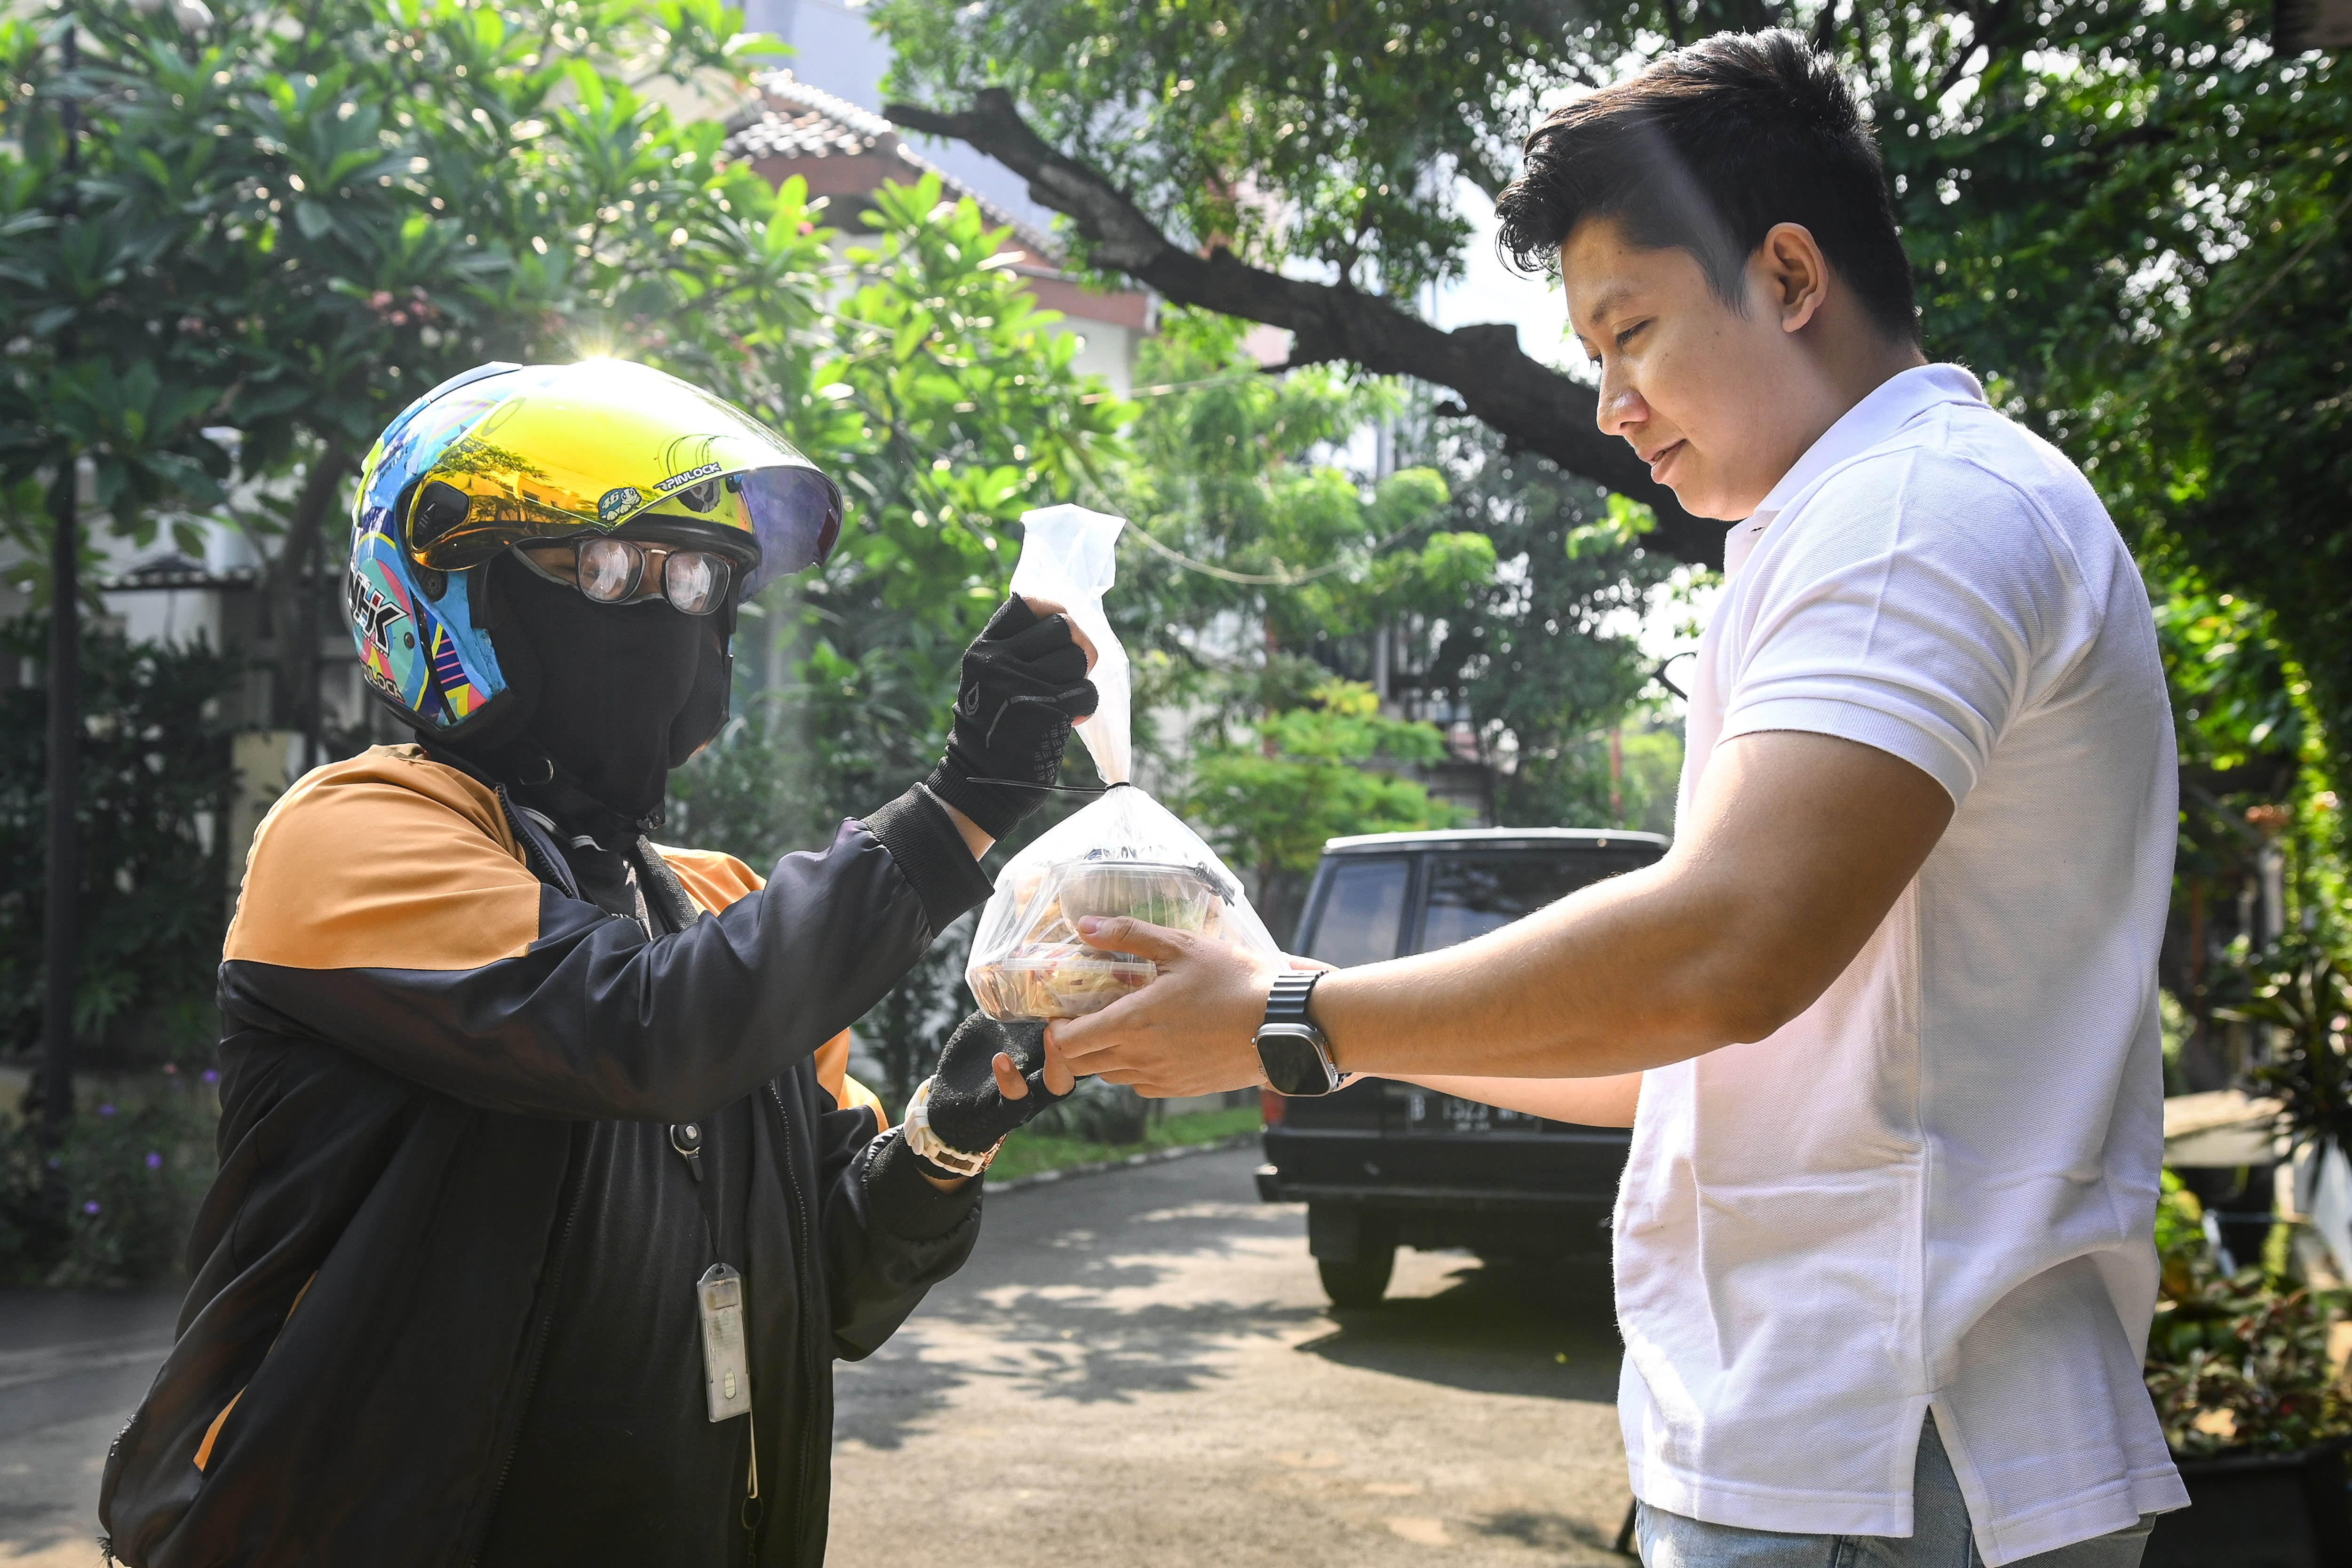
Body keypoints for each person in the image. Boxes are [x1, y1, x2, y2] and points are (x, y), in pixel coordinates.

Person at [1050, 31, 2184, 1568]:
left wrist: (1297, 1007)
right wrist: (1318, 1039)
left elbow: (1727, 947)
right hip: (1851, 1455)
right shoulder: (1850, 525)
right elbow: (1698, 1047)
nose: (1608, 405)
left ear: (1788, 277)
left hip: (1881, 1452)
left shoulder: (1915, 509)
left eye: (1630, 331)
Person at [98, 358, 1093, 1568]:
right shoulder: (351, 835)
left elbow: (827, 1284)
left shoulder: (716, 905)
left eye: (698, 580)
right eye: (606, 570)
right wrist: (956, 815)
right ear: (449, 586)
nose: (663, 616)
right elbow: (638, 1032)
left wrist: (947, 1134)